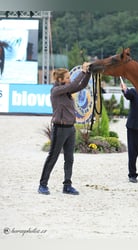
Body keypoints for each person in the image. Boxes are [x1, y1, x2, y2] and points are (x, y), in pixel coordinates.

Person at [38, 62, 91, 195]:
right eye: (67, 78)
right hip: (59, 128)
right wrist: (82, 72)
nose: (69, 80)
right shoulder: (56, 90)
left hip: (70, 128)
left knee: (69, 158)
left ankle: (67, 185)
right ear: (60, 80)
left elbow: (81, 85)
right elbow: (74, 85)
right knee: (53, 157)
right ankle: (42, 185)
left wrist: (88, 73)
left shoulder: (66, 90)